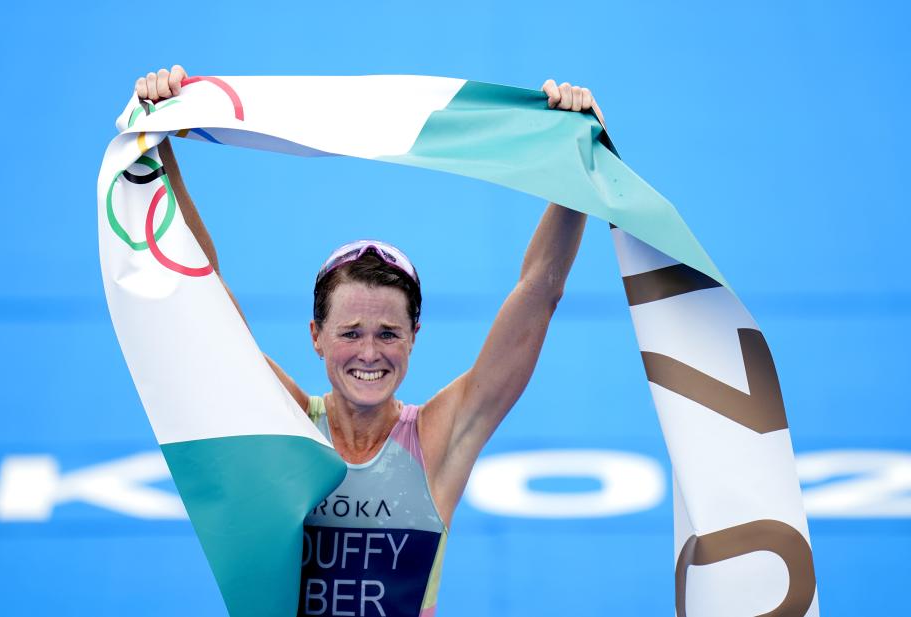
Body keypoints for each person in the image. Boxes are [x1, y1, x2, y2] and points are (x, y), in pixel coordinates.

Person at [134, 65, 604, 617]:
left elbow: (539, 293)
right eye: (351, 334)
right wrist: (159, 144)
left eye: (388, 334)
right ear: (315, 336)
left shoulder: (437, 442)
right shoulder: (284, 424)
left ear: (414, 338)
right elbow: (200, 300)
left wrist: (574, 165)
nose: (370, 353)